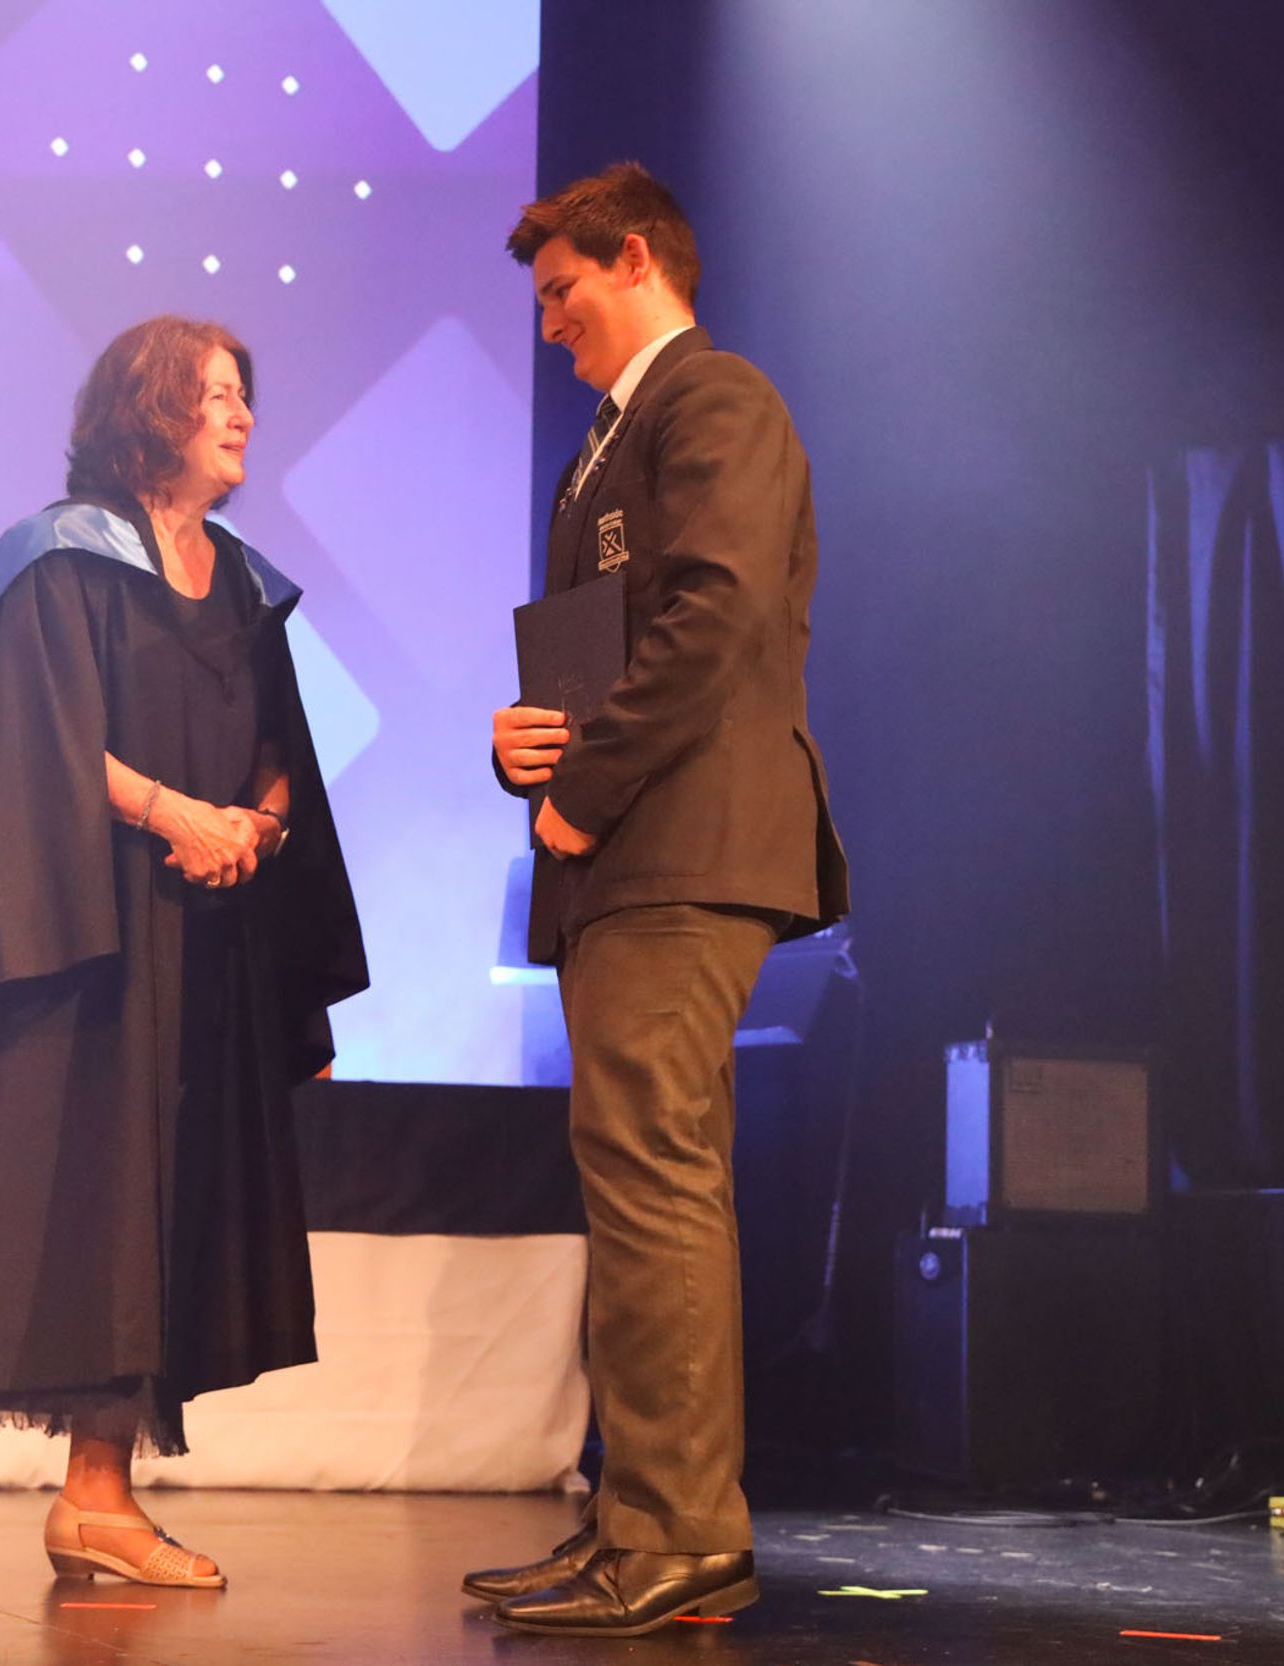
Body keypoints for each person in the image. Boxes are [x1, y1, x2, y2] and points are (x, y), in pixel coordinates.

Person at [0, 317, 367, 1594]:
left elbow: (282, 749)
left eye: (244, 393)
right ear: (148, 411)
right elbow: (37, 739)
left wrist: (256, 823)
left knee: (153, 1208)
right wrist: (175, 814)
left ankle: (97, 1498)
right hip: (65, 927)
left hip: (200, 935)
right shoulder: (58, 559)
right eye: (214, 393)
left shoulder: (243, 585)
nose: (241, 415)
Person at [465, 163, 850, 1637]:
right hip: (626, 850)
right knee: (635, 1172)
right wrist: (526, 745)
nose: (550, 323)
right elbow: (608, 648)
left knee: (655, 1168)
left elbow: (717, 614)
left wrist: (584, 782)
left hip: (682, 845)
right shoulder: (605, 447)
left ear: (637, 259)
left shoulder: (716, 399)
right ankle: (636, 1520)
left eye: (563, 289)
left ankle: (683, 1531)